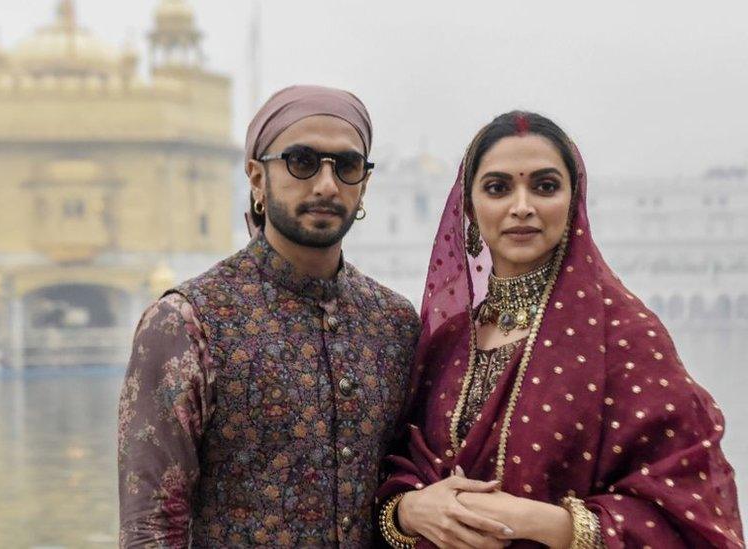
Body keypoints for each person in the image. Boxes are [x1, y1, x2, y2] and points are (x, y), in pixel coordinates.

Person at [375, 111, 744, 548]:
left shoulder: (622, 336)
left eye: (545, 186)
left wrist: (547, 523)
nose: (522, 206)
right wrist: (408, 510)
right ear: (470, 207)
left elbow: (687, 504)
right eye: (498, 187)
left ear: (573, 203)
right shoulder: (448, 342)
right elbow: (393, 470)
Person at [118, 85, 427, 547]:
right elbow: (151, 528)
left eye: (346, 166)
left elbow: (401, 486)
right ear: (257, 178)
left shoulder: (394, 322)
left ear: (363, 183)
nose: (326, 185)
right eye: (302, 161)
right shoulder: (187, 323)